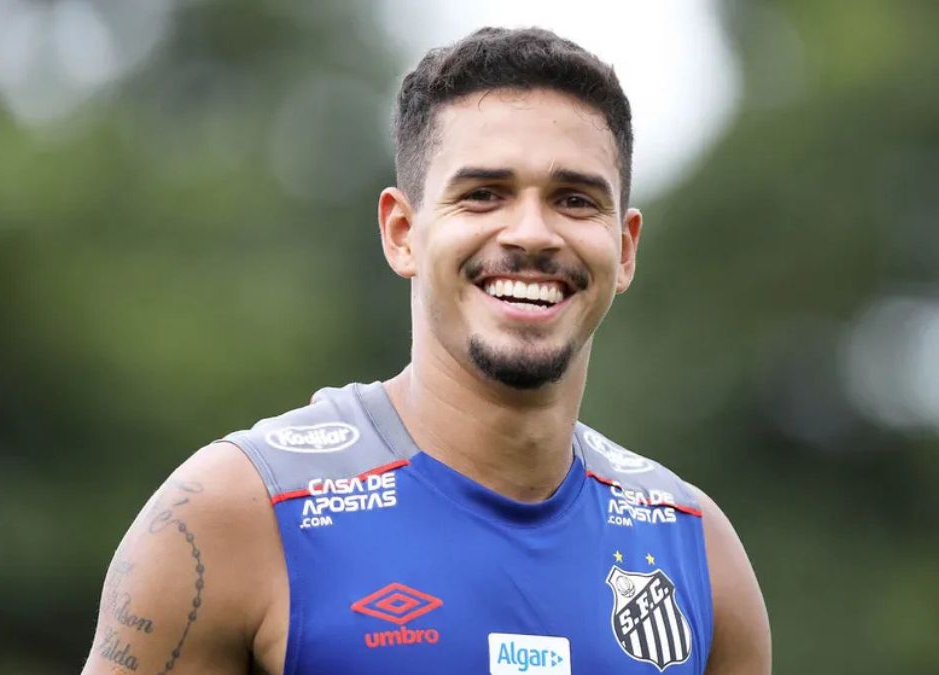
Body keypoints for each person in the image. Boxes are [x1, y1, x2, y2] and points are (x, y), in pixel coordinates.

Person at [82, 26, 770, 675]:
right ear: (402, 232)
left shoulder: (697, 551)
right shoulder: (235, 513)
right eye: (484, 195)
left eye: (574, 200)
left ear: (624, 249)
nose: (532, 233)